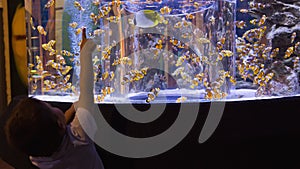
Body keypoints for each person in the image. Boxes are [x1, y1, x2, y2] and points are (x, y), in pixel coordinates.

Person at [5, 28, 104, 169]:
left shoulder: (38, 157)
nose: (52, 106)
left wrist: (73, 108)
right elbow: (87, 90)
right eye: (51, 107)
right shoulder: (80, 138)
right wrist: (85, 54)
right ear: (60, 124)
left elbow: (58, 125)